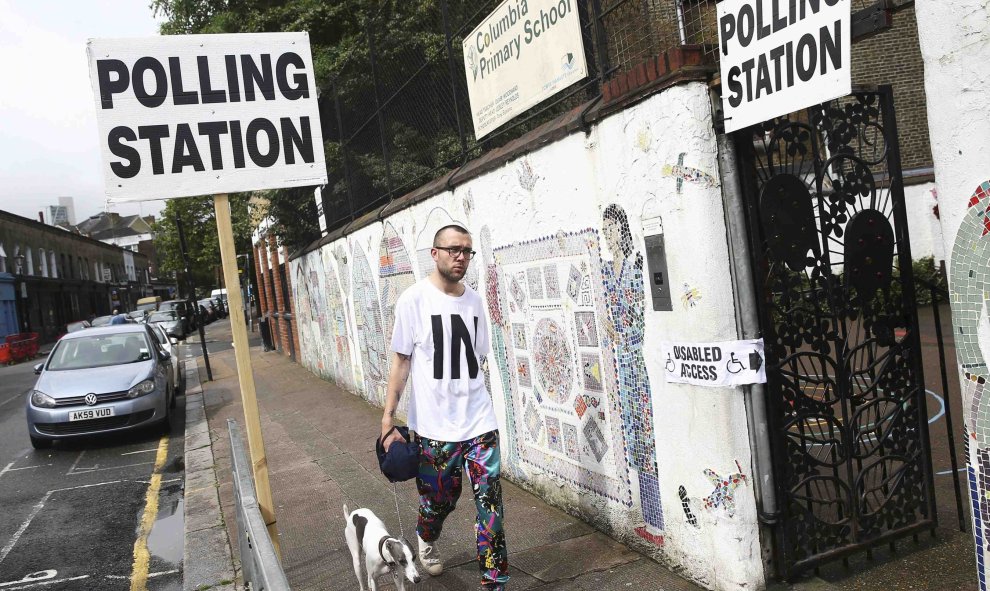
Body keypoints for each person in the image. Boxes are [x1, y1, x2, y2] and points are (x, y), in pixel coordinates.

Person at [381, 224, 509, 590]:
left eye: (467, 251)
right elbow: (401, 361)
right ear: (434, 253)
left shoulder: (474, 302)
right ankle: (426, 533)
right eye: (454, 249)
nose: (461, 257)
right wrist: (388, 419)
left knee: (491, 506)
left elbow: (478, 354)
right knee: (441, 499)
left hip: (479, 423)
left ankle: (494, 582)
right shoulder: (413, 300)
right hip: (434, 430)